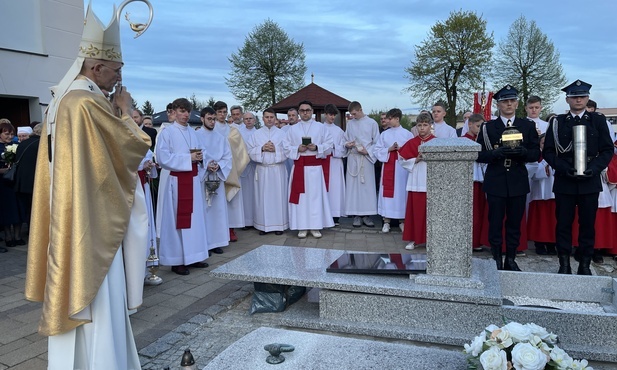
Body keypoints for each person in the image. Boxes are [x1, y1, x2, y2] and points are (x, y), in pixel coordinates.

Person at [24, 5, 151, 368]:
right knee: (98, 295)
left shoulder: (62, 99)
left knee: (72, 291)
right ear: (96, 68)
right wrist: (124, 111)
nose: (119, 80)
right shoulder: (87, 102)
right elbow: (133, 149)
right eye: (116, 71)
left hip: (70, 213)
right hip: (90, 222)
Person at [543, 80, 614, 275]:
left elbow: (608, 150)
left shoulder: (598, 121)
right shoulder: (557, 122)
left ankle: (584, 263)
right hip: (565, 178)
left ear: (588, 98)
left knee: (587, 225)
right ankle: (564, 263)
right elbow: (548, 152)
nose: (578, 99)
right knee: (563, 223)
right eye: (574, 96)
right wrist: (563, 168)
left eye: (582, 96)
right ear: (567, 100)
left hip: (590, 177)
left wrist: (596, 168)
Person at [476, 84, 540, 271]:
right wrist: (497, 154)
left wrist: (523, 152)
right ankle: (496, 257)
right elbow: (479, 154)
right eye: (505, 101)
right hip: (496, 178)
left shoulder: (527, 125)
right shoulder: (488, 127)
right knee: (495, 222)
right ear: (498, 104)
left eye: (512, 100)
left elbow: (536, 153)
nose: (509, 104)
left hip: (518, 179)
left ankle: (511, 259)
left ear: (517, 103)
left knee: (514, 222)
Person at [155, 98, 210, 275]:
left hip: (193, 181)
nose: (185, 115)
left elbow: (202, 152)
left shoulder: (194, 133)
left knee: (195, 220)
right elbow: (162, 158)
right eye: (181, 111)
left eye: (187, 111)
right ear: (174, 112)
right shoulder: (167, 133)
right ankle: (177, 260)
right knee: (177, 222)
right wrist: (189, 159)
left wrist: (201, 158)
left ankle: (195, 256)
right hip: (177, 183)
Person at [284, 100, 334, 238]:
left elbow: (329, 144)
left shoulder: (320, 127)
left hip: (315, 169)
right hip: (300, 167)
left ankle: (315, 226)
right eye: (302, 110)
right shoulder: (292, 129)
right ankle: (302, 226)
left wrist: (317, 147)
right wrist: (297, 149)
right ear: (299, 112)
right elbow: (286, 147)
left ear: (312, 111)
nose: (305, 112)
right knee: (301, 199)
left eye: (307, 110)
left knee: (315, 198)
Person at [247, 108, 289, 235]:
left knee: (278, 198)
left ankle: (279, 226)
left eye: (272, 117)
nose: (269, 119)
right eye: (267, 117)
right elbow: (249, 151)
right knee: (262, 199)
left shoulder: (282, 134)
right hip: (263, 170)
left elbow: (288, 151)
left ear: (275, 118)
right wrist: (262, 148)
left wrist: (275, 149)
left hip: (278, 169)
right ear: (263, 118)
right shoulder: (256, 134)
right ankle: (263, 226)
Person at [196, 107, 232, 255]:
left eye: (213, 119)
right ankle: (204, 242)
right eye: (209, 119)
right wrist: (206, 165)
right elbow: (194, 154)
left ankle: (217, 241)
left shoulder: (220, 138)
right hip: (202, 178)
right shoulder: (196, 135)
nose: (212, 122)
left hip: (217, 176)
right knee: (204, 210)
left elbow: (227, 157)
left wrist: (219, 165)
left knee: (217, 210)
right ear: (202, 119)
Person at [213, 101, 249, 242]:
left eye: (224, 112)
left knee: (231, 201)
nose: (222, 115)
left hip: (231, 169)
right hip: (215, 170)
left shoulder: (233, 130)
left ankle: (231, 229)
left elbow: (241, 151)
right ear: (215, 113)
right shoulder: (211, 129)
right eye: (219, 112)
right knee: (216, 201)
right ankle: (217, 230)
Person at [398, 113, 435, 250]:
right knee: (415, 211)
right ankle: (414, 239)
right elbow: (401, 160)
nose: (422, 128)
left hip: (431, 181)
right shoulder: (412, 142)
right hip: (416, 180)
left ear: (430, 126)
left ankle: (431, 239)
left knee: (431, 212)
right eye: (419, 125)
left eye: (425, 125)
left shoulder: (437, 142)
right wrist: (416, 159)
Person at [374, 108, 413, 233]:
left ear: (397, 119)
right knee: (388, 194)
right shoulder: (384, 134)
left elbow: (412, 150)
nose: (387, 121)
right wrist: (389, 149)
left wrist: (401, 149)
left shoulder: (407, 134)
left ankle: (403, 221)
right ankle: (386, 221)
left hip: (402, 169)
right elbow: (377, 150)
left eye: (390, 118)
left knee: (401, 194)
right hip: (389, 166)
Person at [344, 101, 379, 227]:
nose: (353, 116)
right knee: (353, 189)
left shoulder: (372, 123)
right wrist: (347, 144)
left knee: (366, 188)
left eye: (354, 114)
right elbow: (345, 139)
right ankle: (356, 215)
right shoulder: (350, 124)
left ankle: (367, 215)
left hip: (366, 159)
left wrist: (367, 151)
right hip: (353, 158)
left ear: (360, 110)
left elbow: (377, 142)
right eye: (351, 114)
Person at [462, 114, 488, 251]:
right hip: (468, 180)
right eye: (478, 126)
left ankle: (478, 241)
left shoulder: (484, 140)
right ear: (469, 124)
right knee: (470, 211)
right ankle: (468, 241)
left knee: (480, 210)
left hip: (481, 179)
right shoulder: (462, 141)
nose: (479, 129)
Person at [0, 121, 25, 250]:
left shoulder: (16, 145)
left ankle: (17, 236)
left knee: (18, 208)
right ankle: (8, 236)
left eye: (11, 134)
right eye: (6, 134)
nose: (9, 137)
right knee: (7, 210)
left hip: (15, 182)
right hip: (3, 183)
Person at [322, 104, 347, 225]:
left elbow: (343, 149)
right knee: (323, 187)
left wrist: (333, 147)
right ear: (325, 114)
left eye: (334, 115)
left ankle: (335, 215)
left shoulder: (339, 131)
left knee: (335, 189)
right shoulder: (319, 129)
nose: (332, 117)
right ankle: (323, 213)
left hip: (335, 163)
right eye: (330, 114)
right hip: (322, 162)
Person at [13, 123, 42, 227]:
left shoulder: (22, 144)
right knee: (37, 208)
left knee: (28, 208)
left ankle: (30, 228)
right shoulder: (41, 144)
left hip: (22, 182)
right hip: (35, 181)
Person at [238, 112, 257, 228]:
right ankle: (245, 221)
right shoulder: (238, 133)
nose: (248, 121)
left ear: (254, 120)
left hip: (255, 166)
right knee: (245, 195)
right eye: (246, 119)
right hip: (243, 167)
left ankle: (256, 219)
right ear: (243, 120)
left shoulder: (259, 133)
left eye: (250, 118)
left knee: (255, 194)